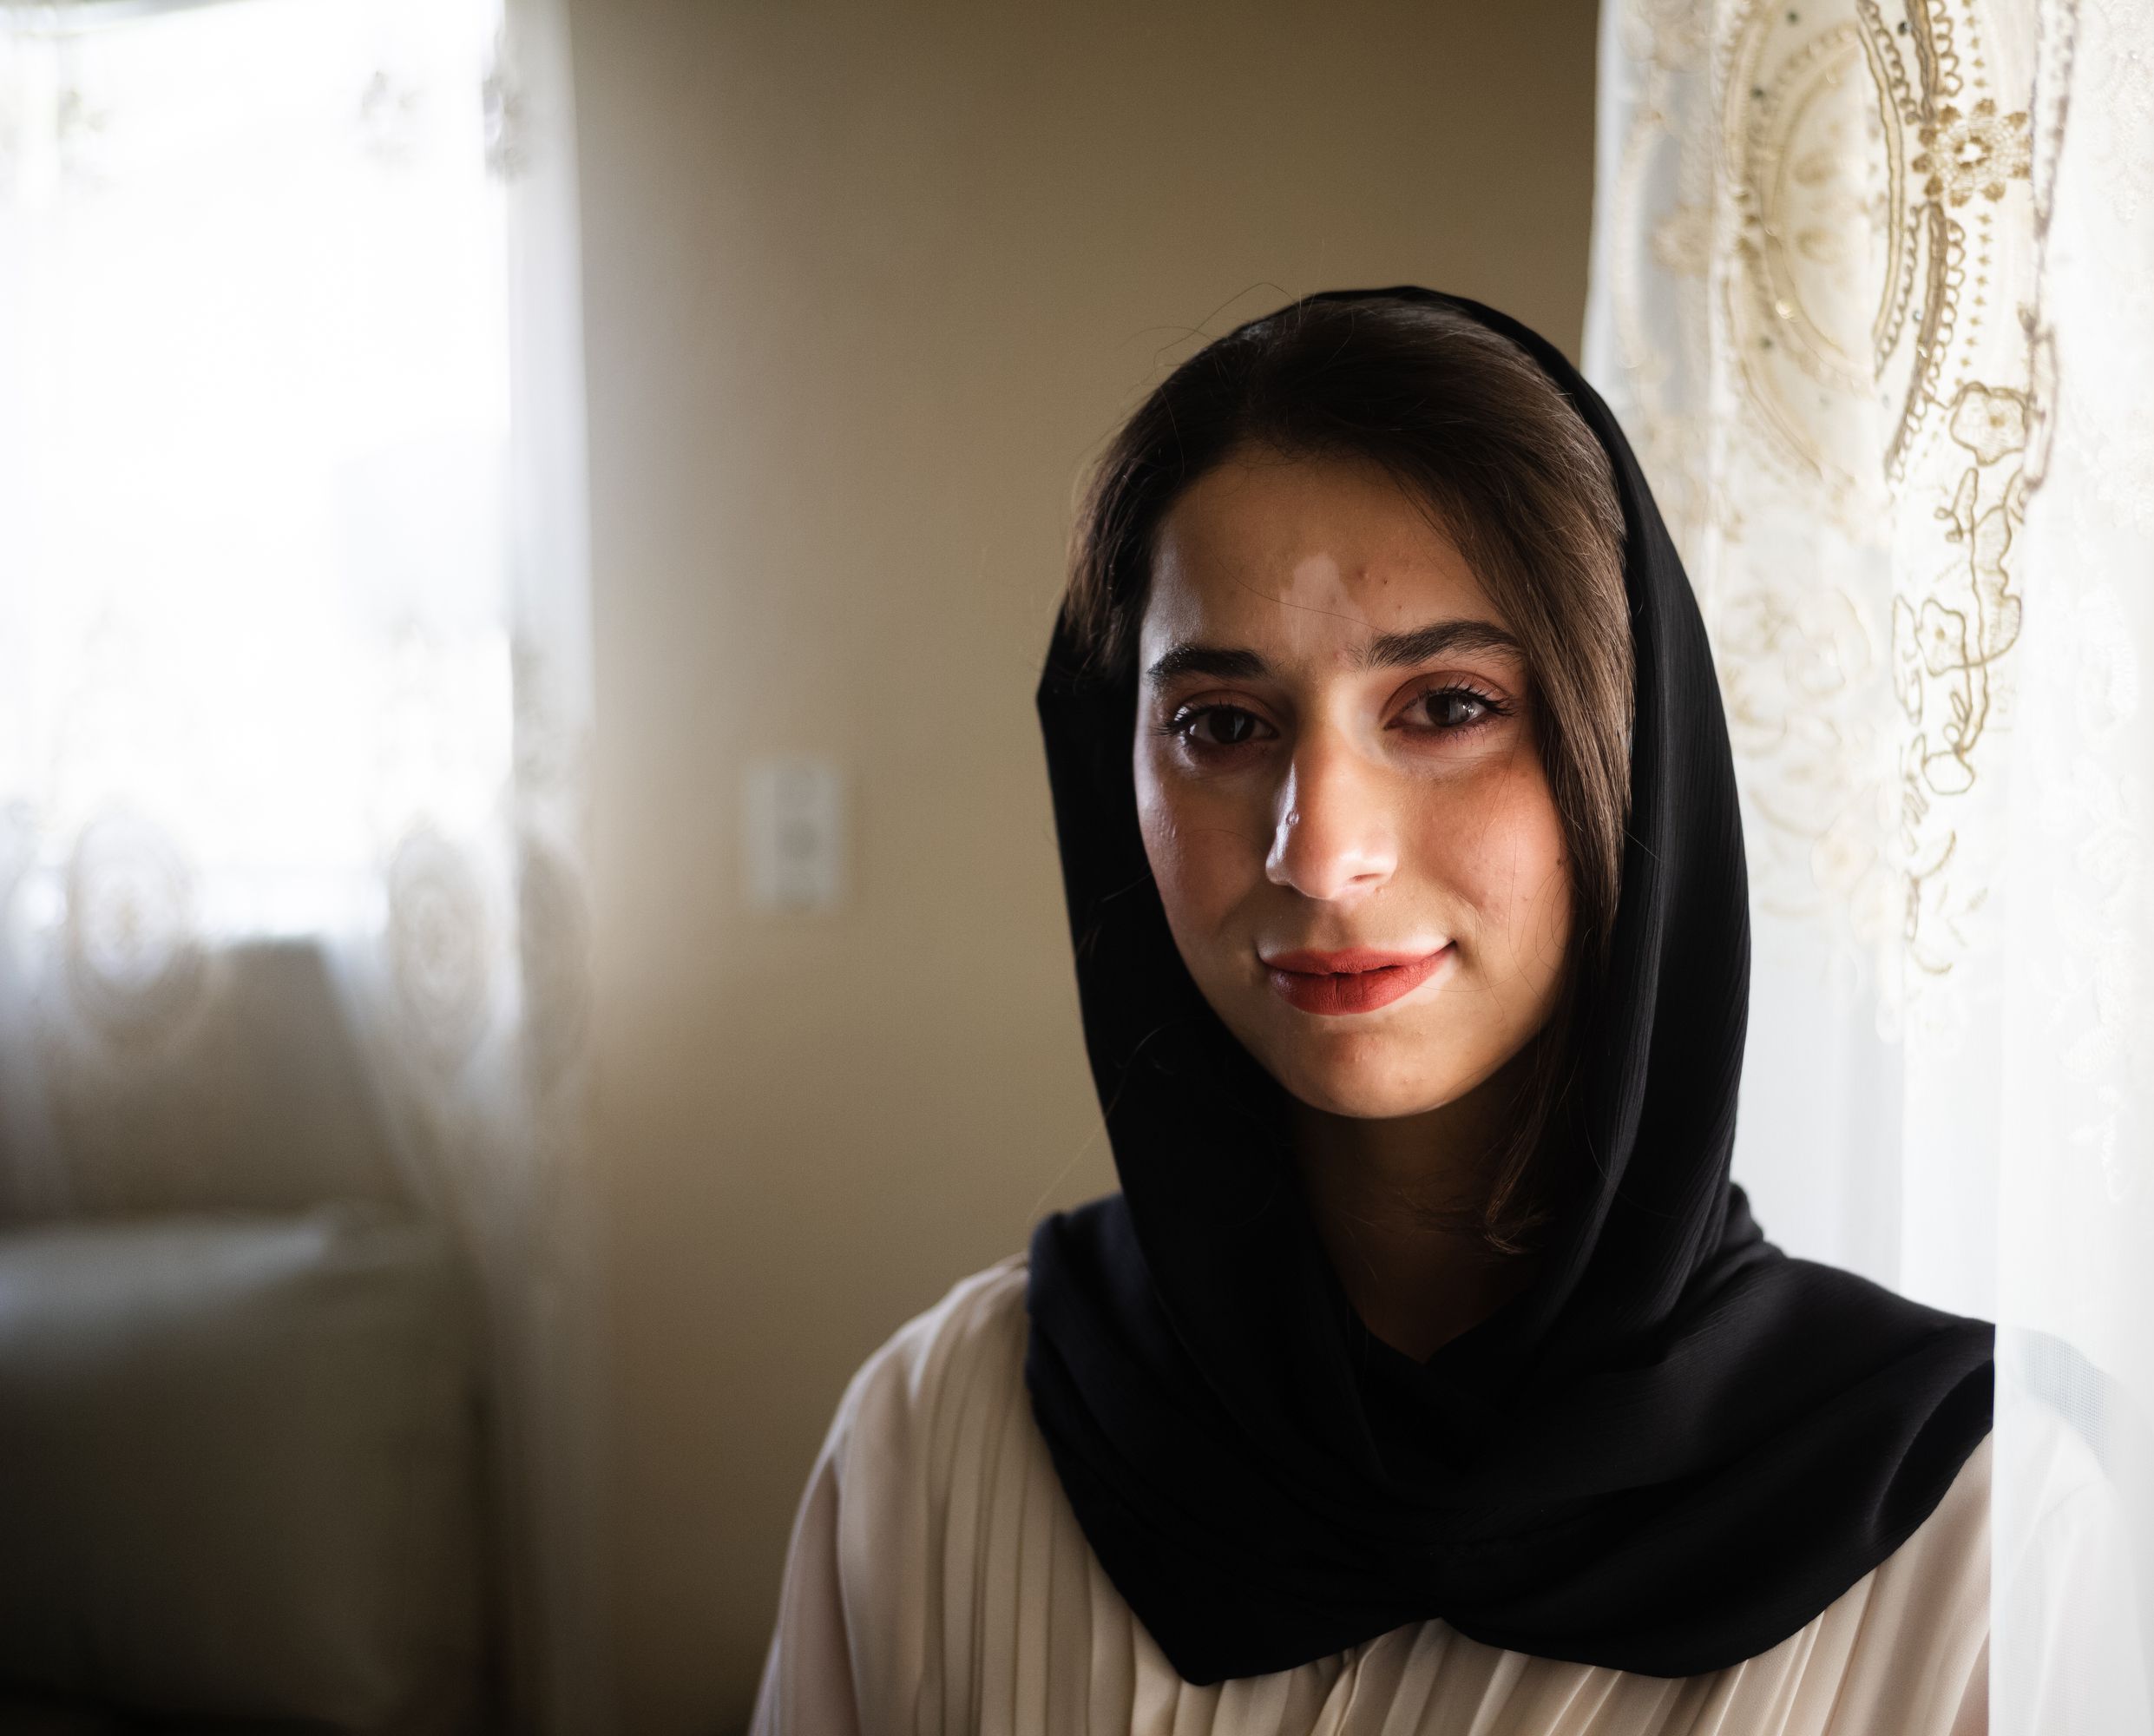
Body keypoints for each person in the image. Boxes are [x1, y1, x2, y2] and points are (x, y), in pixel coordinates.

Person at [749, 288, 1994, 1735]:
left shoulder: (1970, 1537)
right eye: (1222, 726)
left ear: (1632, 750)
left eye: (1448, 706)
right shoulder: (937, 1439)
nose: (1318, 851)